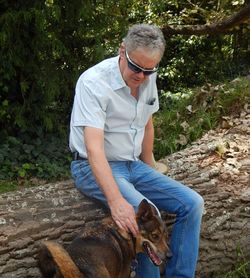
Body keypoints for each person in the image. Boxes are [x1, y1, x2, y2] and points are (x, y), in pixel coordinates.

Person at [69, 23, 204, 278]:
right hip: (92, 165)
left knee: (193, 203)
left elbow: (147, 122)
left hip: (133, 165)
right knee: (146, 214)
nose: (141, 76)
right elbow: (93, 147)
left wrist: (150, 165)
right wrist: (116, 201)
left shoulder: (147, 79)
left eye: (149, 70)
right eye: (136, 67)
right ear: (122, 50)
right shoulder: (93, 83)